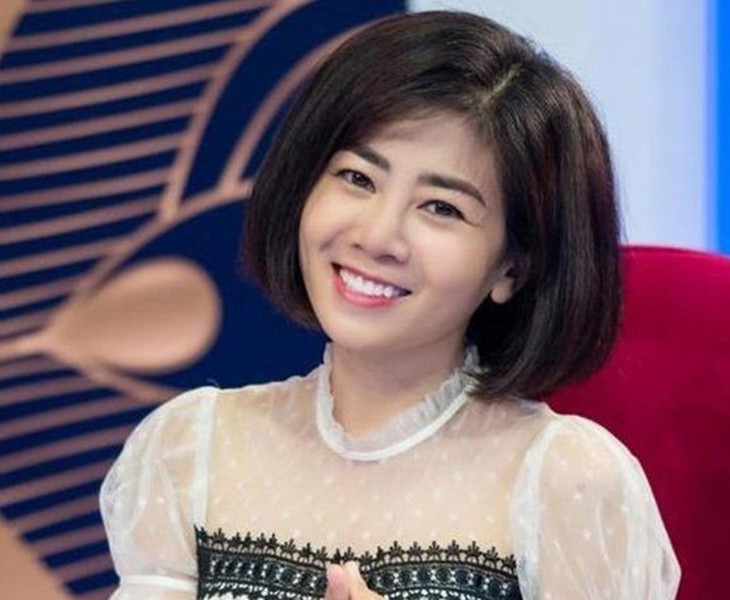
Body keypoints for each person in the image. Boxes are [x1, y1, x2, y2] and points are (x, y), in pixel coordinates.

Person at [100, 10, 681, 600]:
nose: (377, 237)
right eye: (357, 178)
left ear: (512, 267)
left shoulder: (567, 481)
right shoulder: (191, 449)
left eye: (441, 208)